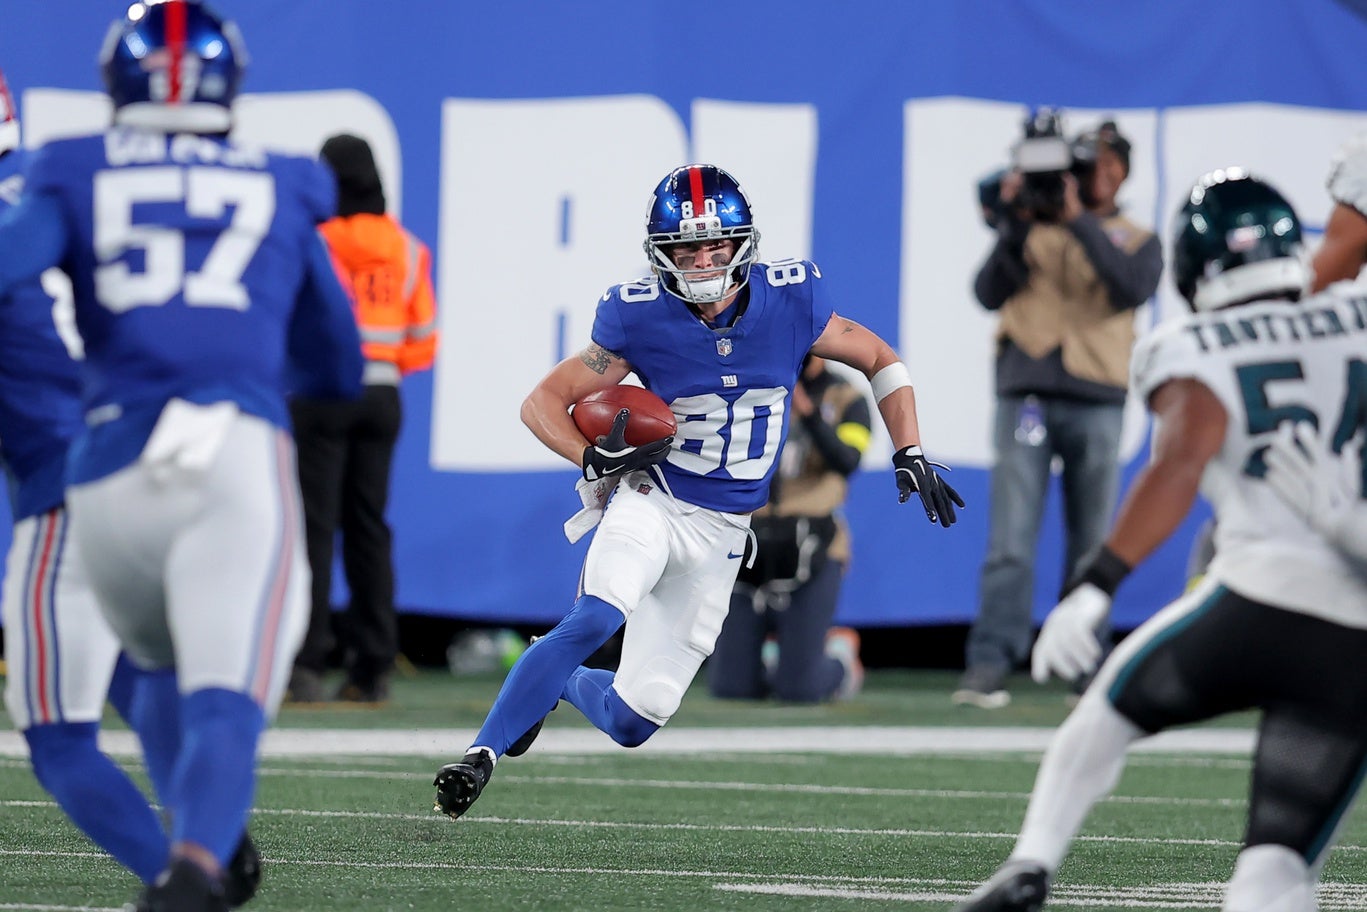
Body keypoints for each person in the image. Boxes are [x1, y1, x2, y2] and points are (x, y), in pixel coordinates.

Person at [432, 163, 963, 820]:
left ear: (743, 242)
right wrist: (591, 457)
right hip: (653, 499)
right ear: (663, 254)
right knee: (598, 614)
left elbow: (882, 359)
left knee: (633, 719)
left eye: (716, 243)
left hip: (722, 532)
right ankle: (479, 756)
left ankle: (558, 678)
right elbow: (541, 401)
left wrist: (907, 447)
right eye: (687, 247)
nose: (705, 259)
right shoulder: (637, 317)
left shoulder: (791, 299)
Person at [0, 3, 362, 910]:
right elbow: (337, 363)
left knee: (125, 687)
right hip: (222, 445)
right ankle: (199, 861)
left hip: (95, 475)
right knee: (217, 695)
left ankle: (188, 867)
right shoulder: (282, 178)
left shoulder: (66, 175)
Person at [954, 168, 1367, 912]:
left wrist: (1097, 582)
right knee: (1275, 870)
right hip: (1355, 637)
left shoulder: (1193, 341)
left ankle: (1032, 863)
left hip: (1258, 599)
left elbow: (1179, 461)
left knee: (1103, 717)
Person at [955, 113, 1163, 709]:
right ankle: (989, 663)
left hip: (1098, 399)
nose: (1098, 173)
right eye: (1089, 162)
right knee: (1011, 539)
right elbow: (988, 292)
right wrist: (1017, 220)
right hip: (1027, 395)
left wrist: (1076, 218)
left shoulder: (1137, 237)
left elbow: (1130, 287)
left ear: (1122, 173)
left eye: (1109, 164)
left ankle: (1086, 666)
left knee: (1093, 541)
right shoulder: (1030, 226)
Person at [287, 133, 438, 705]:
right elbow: (423, 342)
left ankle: (304, 665)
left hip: (319, 397)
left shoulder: (314, 242)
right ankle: (372, 669)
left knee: (314, 530)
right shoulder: (406, 249)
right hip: (382, 396)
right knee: (369, 528)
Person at [707, 353, 869, 703]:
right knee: (731, 688)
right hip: (750, 538)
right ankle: (769, 656)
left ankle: (840, 660)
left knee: (801, 690)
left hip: (812, 542)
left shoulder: (847, 398)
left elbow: (848, 460)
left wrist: (807, 412)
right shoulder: (747, 387)